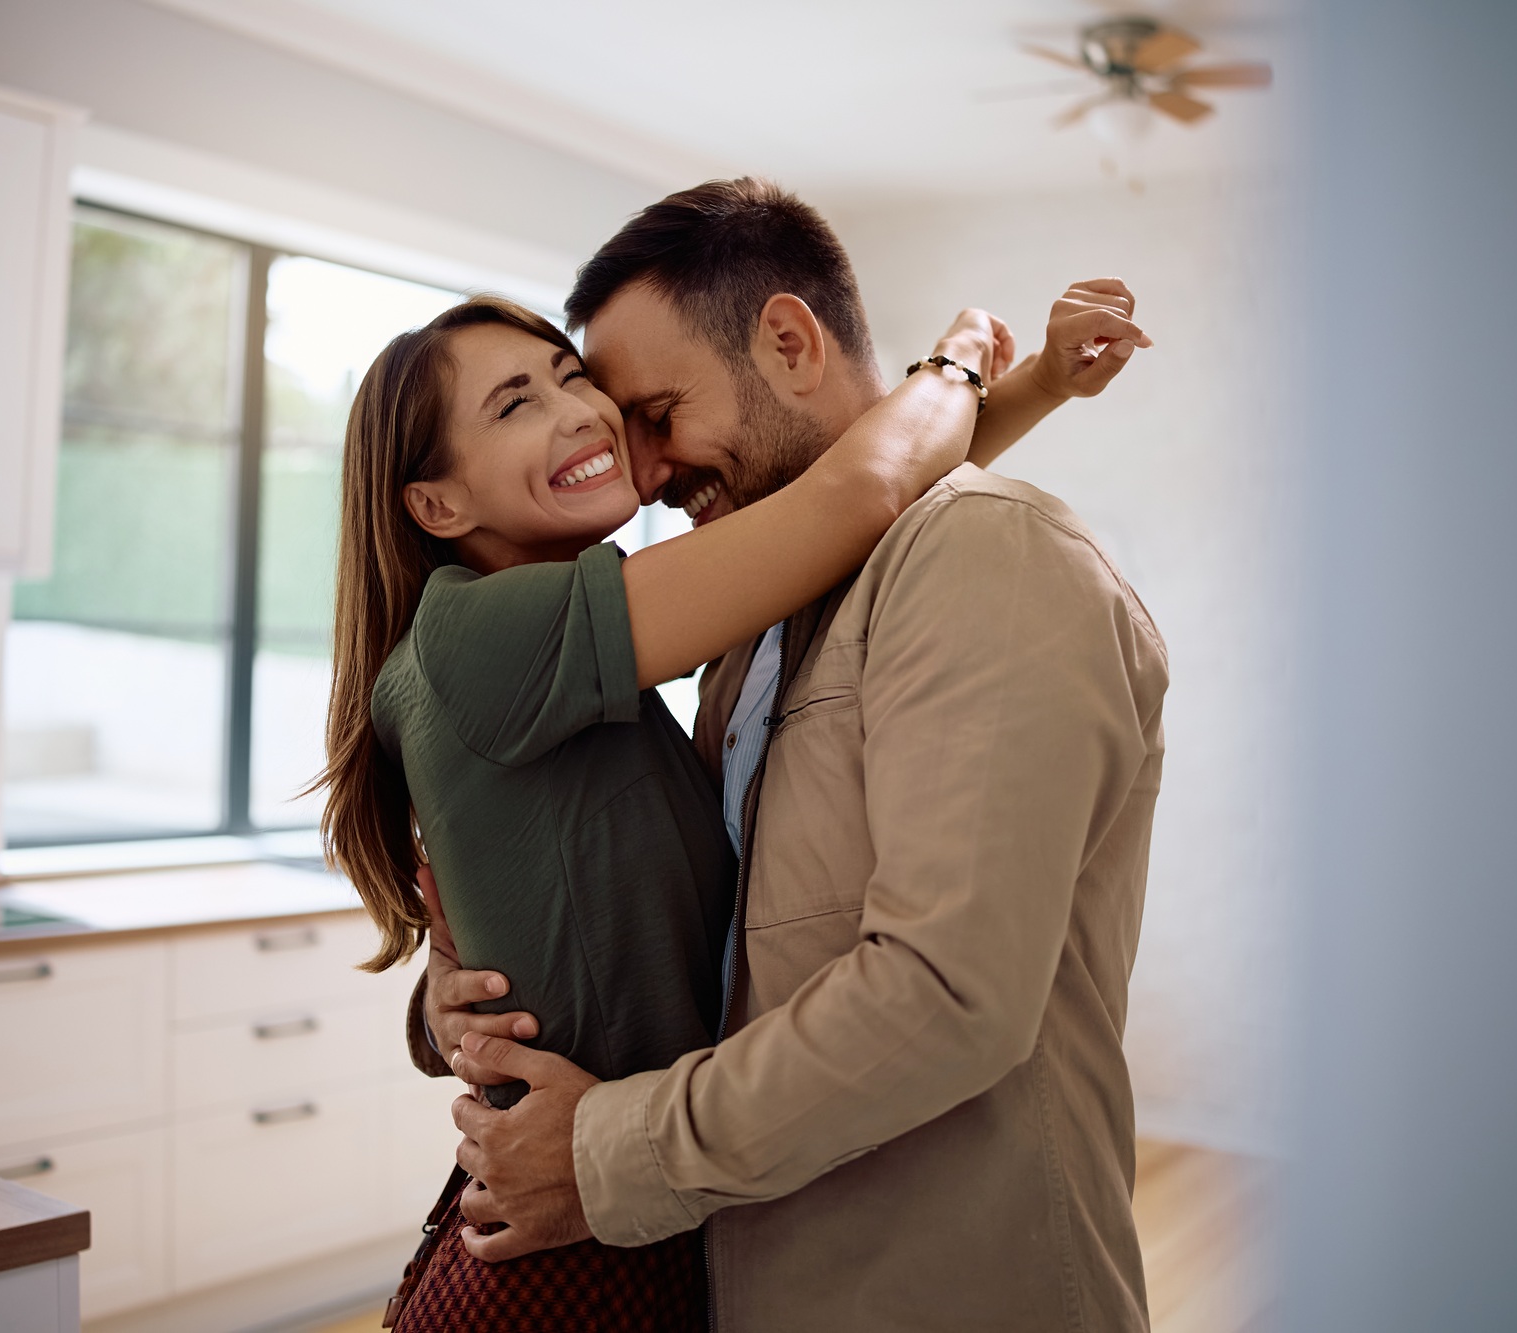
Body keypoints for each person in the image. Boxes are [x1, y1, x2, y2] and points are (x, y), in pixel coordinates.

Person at [422, 179, 1169, 1333]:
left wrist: (601, 1153)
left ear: (784, 339)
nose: (647, 471)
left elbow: (943, 993)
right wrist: (459, 991)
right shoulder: (752, 635)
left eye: (657, 412)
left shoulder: (985, 558)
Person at [324, 278, 1053, 1330]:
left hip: (622, 1214)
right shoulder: (485, 639)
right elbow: (856, 496)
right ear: (437, 506)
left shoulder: (555, 660)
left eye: (574, 378)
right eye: (514, 402)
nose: (579, 411)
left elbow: (850, 532)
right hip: (572, 1255)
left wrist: (1034, 390)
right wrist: (963, 357)